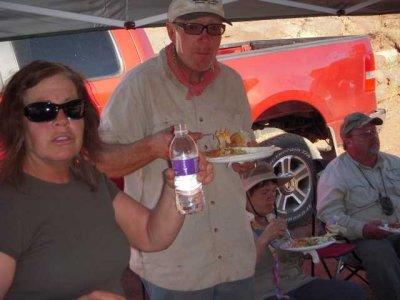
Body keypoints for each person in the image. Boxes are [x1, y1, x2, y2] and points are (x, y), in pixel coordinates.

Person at [0, 60, 213, 299]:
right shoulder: (9, 202)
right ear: (17, 123)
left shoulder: (88, 179)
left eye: (72, 109)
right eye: (43, 111)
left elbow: (150, 234)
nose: (61, 121)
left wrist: (176, 186)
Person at [98, 0, 258, 298]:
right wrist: (152, 147)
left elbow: (243, 146)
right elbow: (101, 163)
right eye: (193, 27)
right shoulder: (139, 87)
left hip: (235, 253)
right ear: (171, 31)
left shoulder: (233, 83)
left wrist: (246, 160)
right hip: (175, 263)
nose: (205, 39)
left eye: (214, 29)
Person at [243, 164, 365, 300]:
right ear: (245, 197)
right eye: (264, 192)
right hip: (264, 292)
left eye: (274, 192)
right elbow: (241, 268)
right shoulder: (238, 227)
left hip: (298, 282)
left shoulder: (274, 221)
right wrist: (264, 239)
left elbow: (292, 256)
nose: (271, 198)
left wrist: (303, 249)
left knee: (352, 292)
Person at [317, 112, 400, 300]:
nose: (373, 137)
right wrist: (363, 229)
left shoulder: (394, 163)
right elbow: (330, 218)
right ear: (347, 142)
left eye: (374, 132)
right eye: (365, 134)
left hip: (396, 231)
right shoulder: (336, 173)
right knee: (378, 251)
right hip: (358, 240)